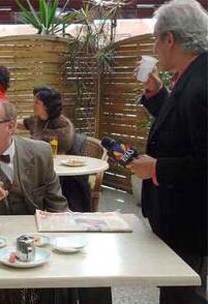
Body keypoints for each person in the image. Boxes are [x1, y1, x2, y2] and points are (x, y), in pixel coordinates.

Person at [0, 99, 111, 304]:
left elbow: (57, 205)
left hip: (39, 241)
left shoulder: (40, 152)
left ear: (11, 126)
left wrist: (74, 233)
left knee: (97, 274)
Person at [127, 1, 207, 303]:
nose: (154, 47)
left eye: (155, 39)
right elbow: (184, 128)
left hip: (192, 221)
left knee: (184, 294)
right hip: (181, 216)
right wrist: (157, 95)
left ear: (170, 39)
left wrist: (157, 169)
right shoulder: (193, 74)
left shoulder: (202, 84)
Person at [20, 87, 90, 212]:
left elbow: (55, 150)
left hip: (64, 178)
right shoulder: (37, 120)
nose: (33, 105)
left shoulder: (62, 125)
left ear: (47, 106)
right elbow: (20, 123)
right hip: (42, 168)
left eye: (37, 102)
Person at [21, 86, 75, 154]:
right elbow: (22, 124)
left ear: (46, 106)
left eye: (36, 103)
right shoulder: (38, 119)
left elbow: (43, 147)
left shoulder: (63, 126)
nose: (33, 105)